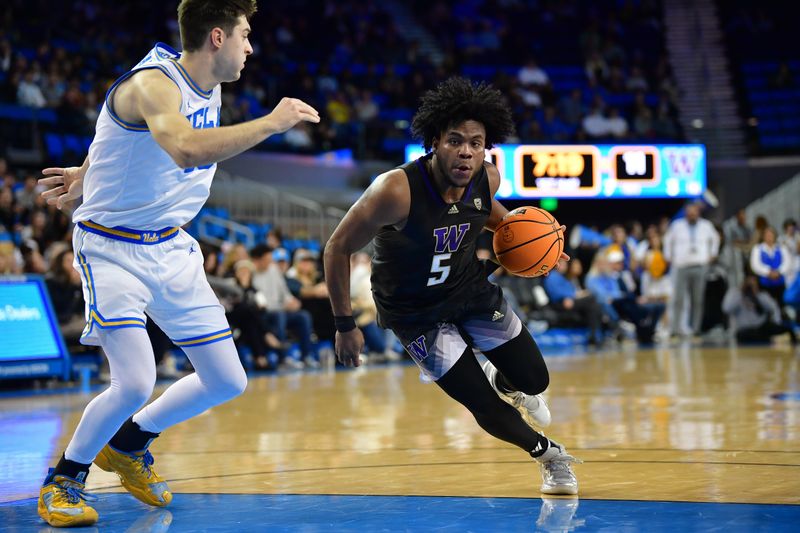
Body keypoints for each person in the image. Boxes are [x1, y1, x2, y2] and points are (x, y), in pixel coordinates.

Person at [35, 0, 320, 527]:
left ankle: (127, 445)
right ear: (217, 37)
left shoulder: (205, 84)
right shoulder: (153, 83)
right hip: (111, 246)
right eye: (245, 35)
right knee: (136, 381)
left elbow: (122, 137)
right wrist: (272, 123)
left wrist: (87, 169)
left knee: (226, 380)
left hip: (170, 246)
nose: (250, 47)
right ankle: (63, 483)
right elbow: (184, 148)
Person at [324, 78, 580, 496]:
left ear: (485, 149)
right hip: (415, 314)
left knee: (534, 379)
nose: (466, 151)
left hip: (469, 293)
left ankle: (507, 381)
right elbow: (336, 247)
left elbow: (490, 215)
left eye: (476, 143)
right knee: (481, 404)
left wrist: (539, 244)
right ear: (435, 142)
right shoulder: (395, 191)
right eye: (456, 140)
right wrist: (344, 323)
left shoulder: (487, 179)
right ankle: (550, 457)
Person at [663, 202, 720, 337]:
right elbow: (667, 240)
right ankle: (675, 329)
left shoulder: (706, 225)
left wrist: (712, 254)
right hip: (681, 265)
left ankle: (696, 329)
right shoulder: (677, 225)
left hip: (699, 265)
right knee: (678, 299)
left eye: (694, 212)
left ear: (698, 213)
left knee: (697, 299)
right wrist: (668, 256)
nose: (692, 215)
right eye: (689, 212)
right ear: (686, 213)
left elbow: (716, 238)